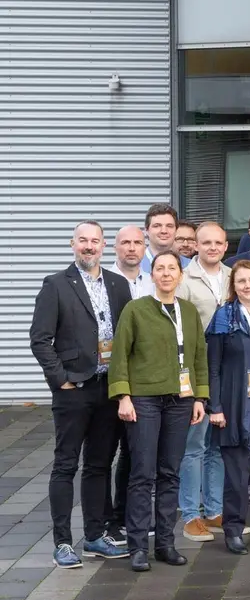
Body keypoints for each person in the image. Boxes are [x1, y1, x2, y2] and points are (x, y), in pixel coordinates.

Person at [29, 221, 132, 567]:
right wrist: (61, 380)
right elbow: (40, 339)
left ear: (104, 246)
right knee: (65, 465)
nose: (89, 247)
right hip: (74, 390)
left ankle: (94, 536)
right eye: (82, 241)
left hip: (108, 389)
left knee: (99, 465)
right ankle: (62, 542)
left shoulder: (119, 285)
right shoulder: (56, 285)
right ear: (72, 244)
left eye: (95, 241)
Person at [109, 250, 208, 572]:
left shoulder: (189, 312)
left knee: (170, 472)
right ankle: (138, 546)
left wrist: (200, 398)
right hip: (145, 400)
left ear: (180, 275)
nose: (166, 274)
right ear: (152, 275)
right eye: (160, 269)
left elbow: (198, 358)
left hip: (181, 401)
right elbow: (120, 355)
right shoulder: (136, 310)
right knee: (142, 473)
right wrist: (123, 396)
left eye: (172, 269)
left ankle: (165, 542)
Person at [175, 221, 231, 543]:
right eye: (205, 242)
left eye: (218, 243)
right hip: (198, 373)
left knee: (217, 447)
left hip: (228, 372)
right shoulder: (185, 281)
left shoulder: (231, 276)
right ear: (195, 245)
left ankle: (214, 511)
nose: (212, 247)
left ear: (225, 247)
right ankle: (191, 515)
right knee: (194, 446)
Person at [111, 225, 153, 299]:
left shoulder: (153, 283)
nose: (132, 248)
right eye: (126, 242)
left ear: (144, 249)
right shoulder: (104, 282)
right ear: (115, 248)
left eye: (137, 242)